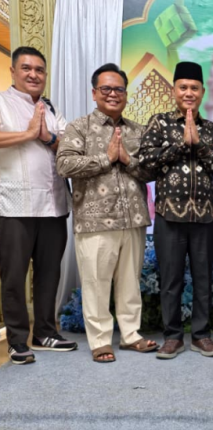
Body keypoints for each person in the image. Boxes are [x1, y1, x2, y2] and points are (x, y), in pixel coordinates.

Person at [56, 63, 158, 363]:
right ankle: (100, 340)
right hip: (95, 221)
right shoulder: (79, 127)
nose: (113, 94)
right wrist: (106, 158)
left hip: (134, 218)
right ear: (94, 93)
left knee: (130, 283)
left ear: (126, 94)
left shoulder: (137, 130)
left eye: (119, 89)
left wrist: (127, 159)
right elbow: (64, 165)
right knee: (96, 284)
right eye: (106, 89)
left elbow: (151, 171)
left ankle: (130, 335)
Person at [139, 61, 213, 359]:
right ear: (174, 90)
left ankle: (201, 336)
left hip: (205, 216)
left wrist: (199, 145)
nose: (189, 92)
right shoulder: (159, 123)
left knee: (203, 278)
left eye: (194, 88)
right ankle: (173, 336)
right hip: (169, 216)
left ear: (202, 92)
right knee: (171, 279)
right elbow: (145, 162)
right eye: (183, 87)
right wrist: (179, 146)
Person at [0, 46, 77, 365]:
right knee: (14, 276)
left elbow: (71, 146)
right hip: (14, 205)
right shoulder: (2, 102)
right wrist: (28, 133)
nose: (34, 75)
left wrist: (47, 137)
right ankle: (17, 340)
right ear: (13, 72)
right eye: (27, 68)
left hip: (54, 205)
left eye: (39, 70)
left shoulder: (50, 108)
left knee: (49, 273)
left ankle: (45, 332)